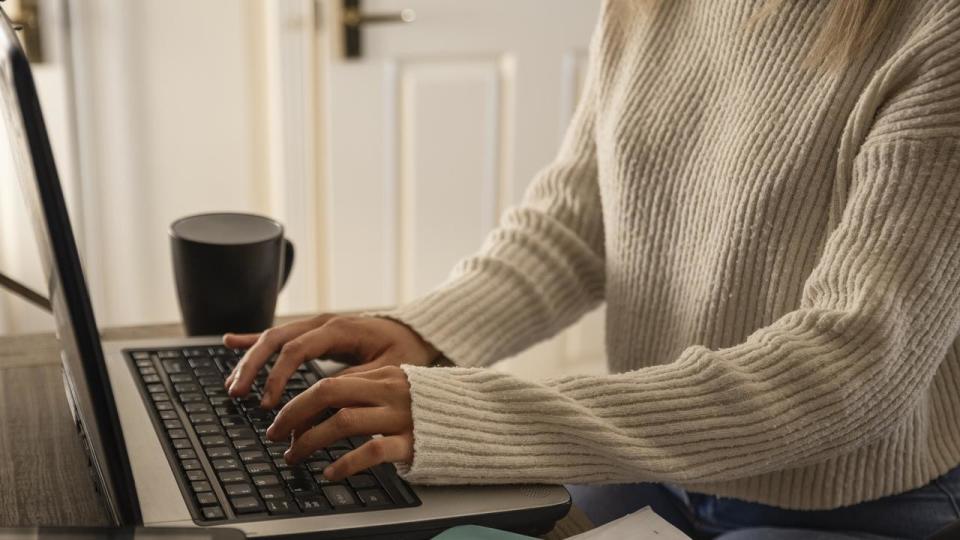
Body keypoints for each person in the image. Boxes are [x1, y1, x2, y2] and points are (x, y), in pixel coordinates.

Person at [223, 0, 960, 537]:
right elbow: (573, 227)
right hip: (656, 470)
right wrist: (418, 331)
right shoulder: (648, 8)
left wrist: (479, 415)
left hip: (856, 504)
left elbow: (854, 368)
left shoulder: (938, 32)